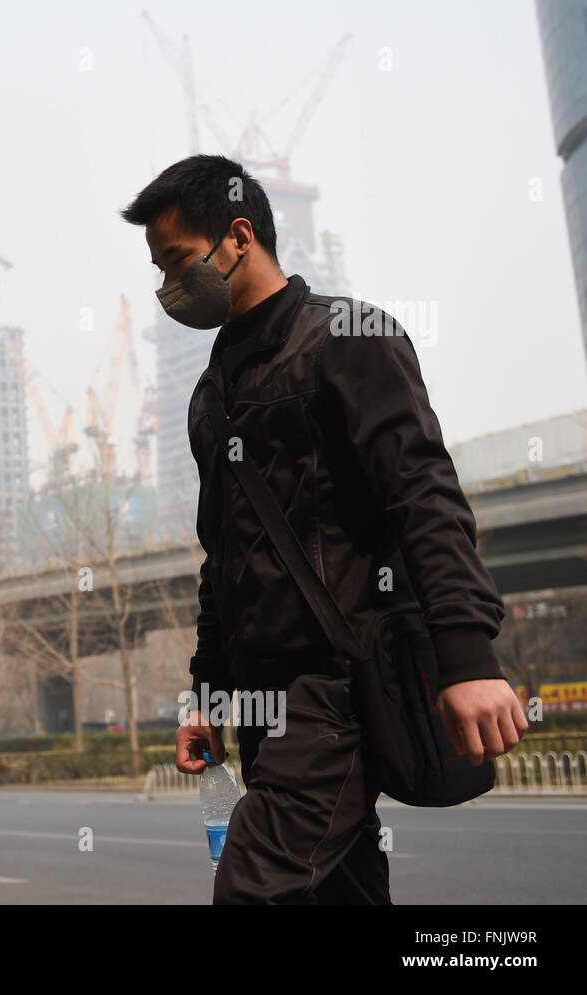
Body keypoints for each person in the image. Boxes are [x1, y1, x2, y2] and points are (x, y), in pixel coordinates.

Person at [120, 154, 529, 904]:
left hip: (340, 681)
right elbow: (226, 559)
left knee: (254, 887)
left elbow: (425, 496)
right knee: (340, 891)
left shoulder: (348, 337)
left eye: (177, 260)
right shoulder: (211, 394)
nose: (167, 286)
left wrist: (468, 657)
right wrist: (211, 694)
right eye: (158, 269)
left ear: (239, 236)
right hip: (263, 700)